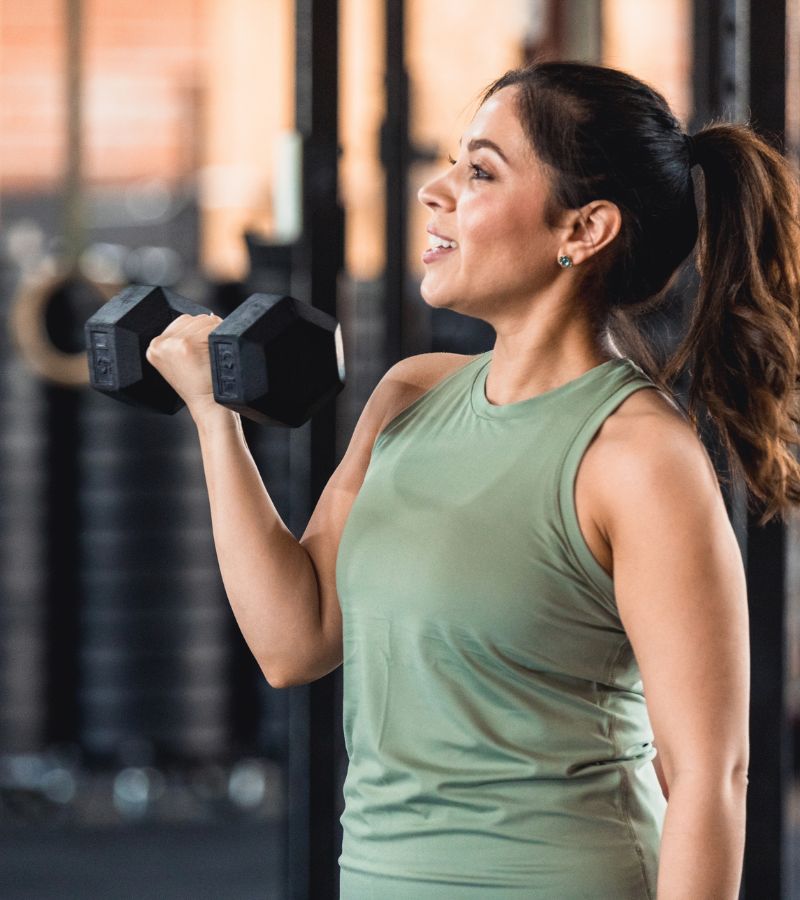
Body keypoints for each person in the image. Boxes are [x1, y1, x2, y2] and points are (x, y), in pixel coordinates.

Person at [145, 59, 800, 898]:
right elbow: (294, 639)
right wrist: (213, 419)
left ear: (585, 229)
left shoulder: (639, 458)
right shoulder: (411, 393)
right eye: (456, 161)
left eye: (481, 170)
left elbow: (711, 778)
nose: (436, 191)